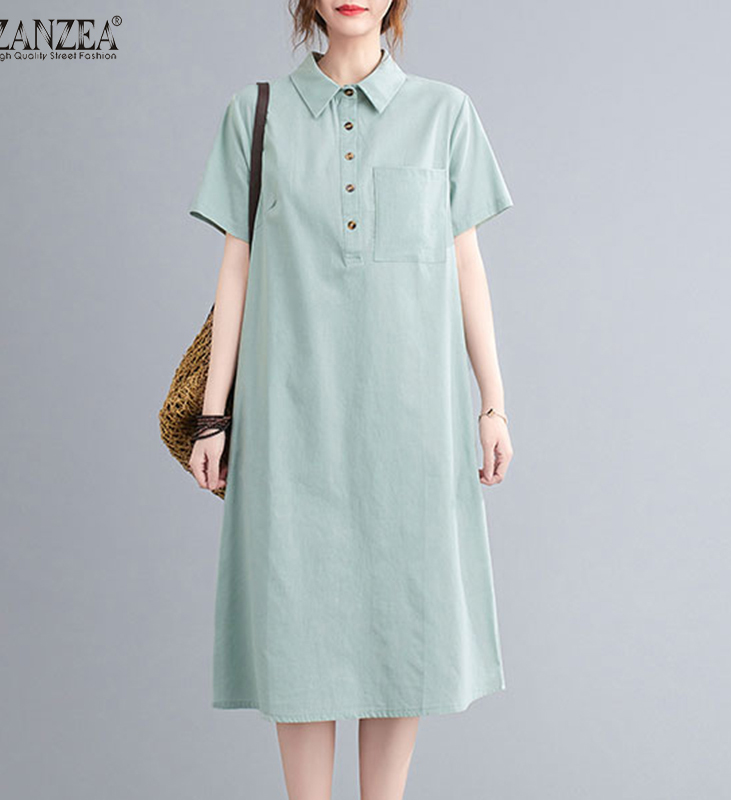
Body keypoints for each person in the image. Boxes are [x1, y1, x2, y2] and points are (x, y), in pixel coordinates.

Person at [186, 1, 515, 797]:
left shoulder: (446, 114)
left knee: (402, 631)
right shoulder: (254, 115)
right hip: (290, 425)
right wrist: (213, 415)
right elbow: (236, 268)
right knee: (295, 631)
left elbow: (466, 265)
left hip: (410, 429)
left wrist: (492, 403)